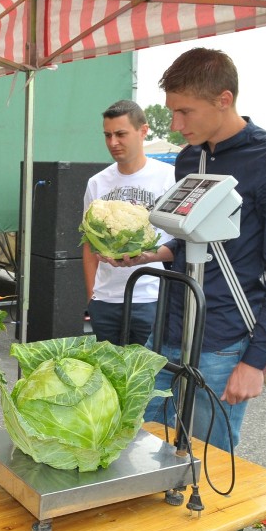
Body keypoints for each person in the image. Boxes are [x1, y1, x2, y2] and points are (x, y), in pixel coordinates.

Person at [104, 48, 266, 452]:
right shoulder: (189, 159)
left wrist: (252, 362)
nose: (176, 124)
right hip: (166, 328)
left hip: (222, 339)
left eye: (185, 112)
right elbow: (189, 239)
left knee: (207, 462)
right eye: (171, 112)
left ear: (224, 100)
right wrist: (152, 255)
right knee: (139, 446)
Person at [83, 100, 175, 346]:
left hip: (151, 298)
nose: (113, 142)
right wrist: (92, 295)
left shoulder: (169, 177)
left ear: (143, 131)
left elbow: (180, 241)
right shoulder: (97, 183)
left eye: (121, 134)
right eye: (107, 135)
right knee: (110, 377)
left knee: (147, 376)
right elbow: (88, 243)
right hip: (106, 301)